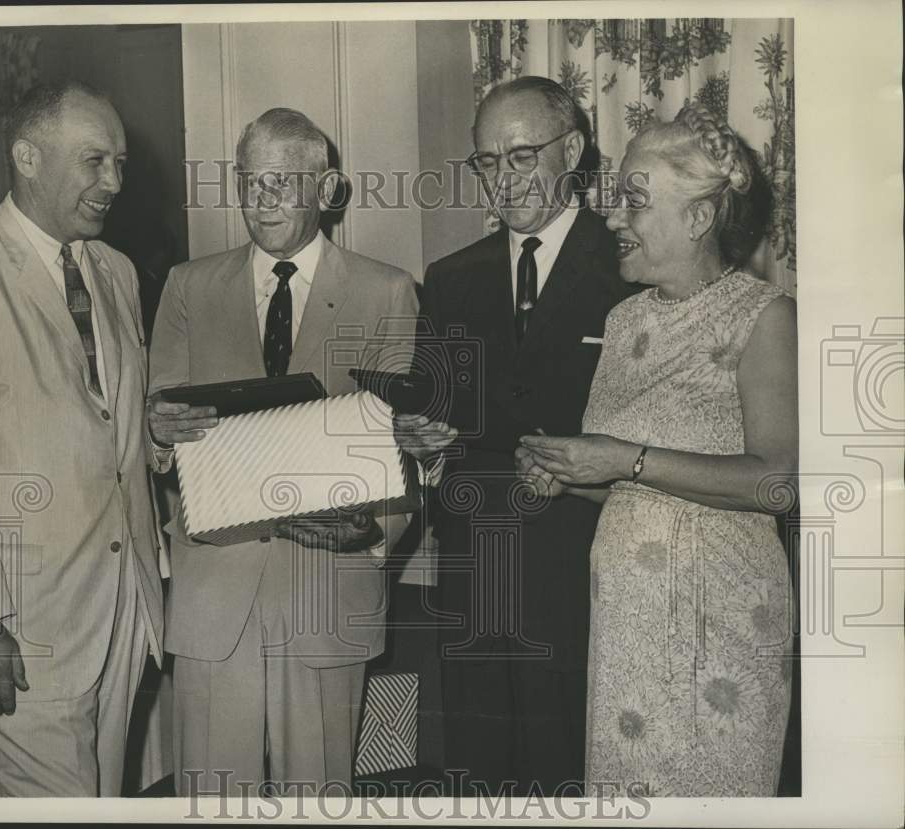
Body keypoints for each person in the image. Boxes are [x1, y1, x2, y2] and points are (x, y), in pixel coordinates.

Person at [517, 104, 797, 796]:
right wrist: (569, 473)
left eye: (635, 202)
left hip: (723, 623)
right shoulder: (623, 319)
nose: (614, 218)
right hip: (624, 626)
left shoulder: (765, 317)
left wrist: (623, 456)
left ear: (698, 218)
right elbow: (626, 481)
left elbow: (777, 483)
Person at [147, 108, 418, 795]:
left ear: (326, 191)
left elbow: (405, 447)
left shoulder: (388, 291)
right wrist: (158, 432)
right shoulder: (187, 286)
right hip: (215, 594)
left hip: (328, 589)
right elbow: (155, 434)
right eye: (249, 182)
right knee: (211, 797)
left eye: (282, 182)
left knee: (318, 795)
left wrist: (372, 534)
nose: (261, 200)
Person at [394, 76, 632, 795]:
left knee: (572, 769)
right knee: (477, 767)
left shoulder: (630, 269)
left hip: (586, 573)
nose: (505, 178)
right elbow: (428, 423)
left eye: (522, 154)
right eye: (487, 161)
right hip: (472, 575)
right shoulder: (450, 276)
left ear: (574, 149)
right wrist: (420, 439)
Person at [0, 80, 165, 796]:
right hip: (17, 627)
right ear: (26, 157)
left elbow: (108, 427)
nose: (114, 182)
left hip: (122, 610)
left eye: (120, 162)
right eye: (95, 161)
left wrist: (163, 433)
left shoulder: (117, 272)